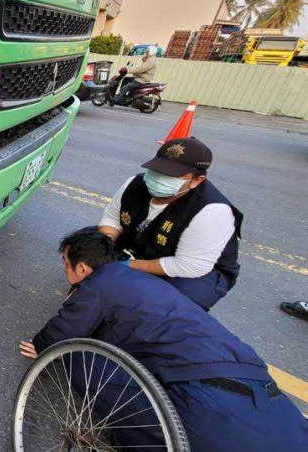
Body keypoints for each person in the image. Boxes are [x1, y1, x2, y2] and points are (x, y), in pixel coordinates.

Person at [19, 228, 308, 451]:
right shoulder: (138, 278)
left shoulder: (96, 286)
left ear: (81, 269)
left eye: (65, 262)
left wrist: (42, 346)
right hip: (252, 374)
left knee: (76, 357)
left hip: (202, 393)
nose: (64, 268)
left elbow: (65, 331)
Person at [98, 137, 241, 311]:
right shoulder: (135, 184)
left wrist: (125, 266)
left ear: (197, 180)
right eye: (157, 170)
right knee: (83, 244)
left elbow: (188, 266)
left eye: (172, 175)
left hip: (195, 270)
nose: (159, 178)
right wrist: (103, 246)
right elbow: (112, 219)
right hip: (144, 244)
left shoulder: (212, 211)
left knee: (169, 303)